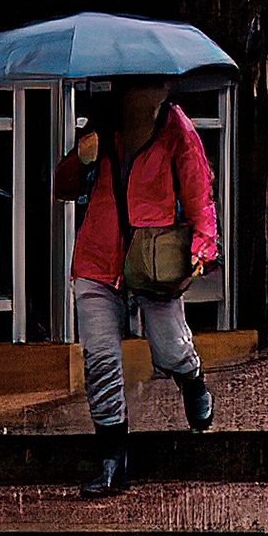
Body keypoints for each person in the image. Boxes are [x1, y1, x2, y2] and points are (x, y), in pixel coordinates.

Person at [52, 74, 221, 497]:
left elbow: (199, 191)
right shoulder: (101, 126)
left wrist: (203, 244)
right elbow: (62, 187)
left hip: (153, 255)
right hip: (98, 257)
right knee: (100, 358)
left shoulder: (175, 128)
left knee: (168, 346)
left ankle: (191, 378)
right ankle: (112, 458)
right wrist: (82, 160)